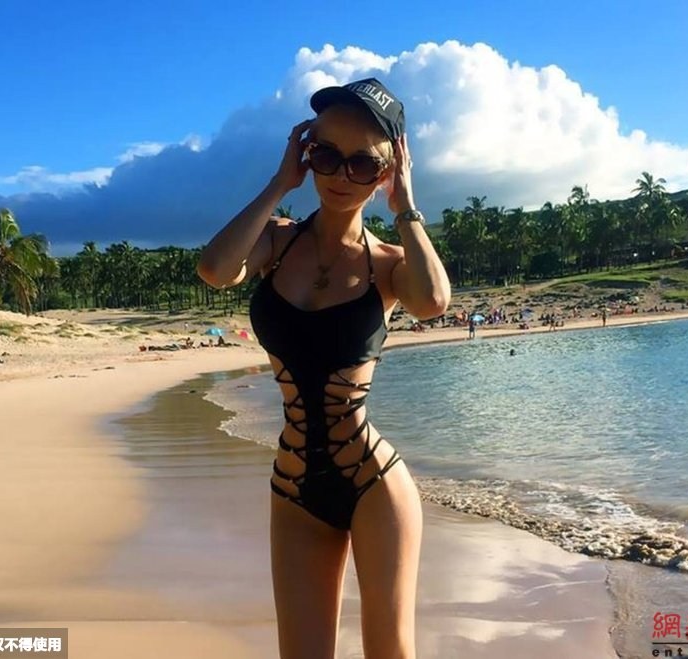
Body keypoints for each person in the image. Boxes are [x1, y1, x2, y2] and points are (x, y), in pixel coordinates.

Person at [197, 77, 450, 659]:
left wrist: (406, 207)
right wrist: (279, 184)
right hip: (293, 491)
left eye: (364, 164)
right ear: (306, 153)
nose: (341, 175)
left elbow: (434, 301)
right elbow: (215, 269)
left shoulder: (388, 266)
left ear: (387, 172)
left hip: (372, 484)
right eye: (327, 155)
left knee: (390, 650)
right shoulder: (275, 245)